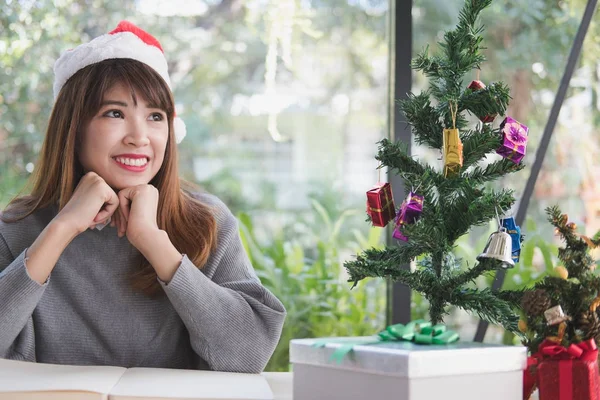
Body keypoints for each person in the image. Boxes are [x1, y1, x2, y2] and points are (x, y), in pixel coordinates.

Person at [0, 21, 286, 373]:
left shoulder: (207, 220)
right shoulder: (16, 227)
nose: (139, 137)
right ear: (72, 128)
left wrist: (153, 241)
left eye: (155, 116)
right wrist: (61, 229)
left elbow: (252, 352)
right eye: (115, 113)